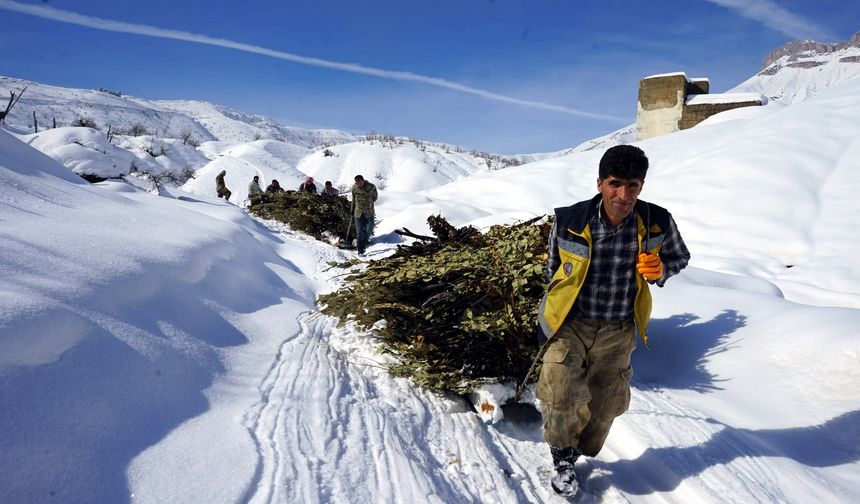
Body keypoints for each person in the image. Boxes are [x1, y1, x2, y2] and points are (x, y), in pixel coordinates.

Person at [536, 145, 690, 497]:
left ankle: (581, 448)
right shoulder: (570, 219)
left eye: (632, 186)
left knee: (606, 403)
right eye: (615, 184)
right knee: (559, 390)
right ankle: (562, 458)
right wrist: (552, 315)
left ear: (641, 187)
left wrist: (662, 269)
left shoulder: (656, 221)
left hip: (618, 328)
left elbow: (680, 256)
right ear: (600, 183)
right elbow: (552, 270)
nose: (623, 195)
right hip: (571, 322)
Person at [350, 174, 378, 255]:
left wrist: (369, 203)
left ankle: (364, 242)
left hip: (369, 212)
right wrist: (352, 210)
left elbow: (375, 197)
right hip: (358, 213)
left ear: (363, 180)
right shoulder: (354, 188)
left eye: (360, 182)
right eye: (357, 182)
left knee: (369, 230)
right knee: (359, 232)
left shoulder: (371, 187)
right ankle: (360, 249)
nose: (358, 184)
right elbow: (353, 199)